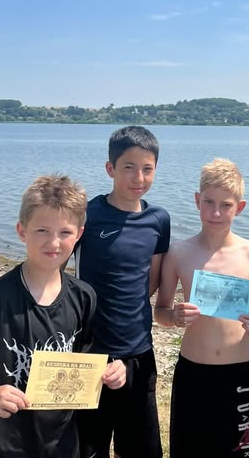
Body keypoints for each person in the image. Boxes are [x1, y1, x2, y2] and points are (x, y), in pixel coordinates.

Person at [0, 174, 126, 458]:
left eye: (65, 232)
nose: (54, 242)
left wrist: (112, 369)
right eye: (42, 230)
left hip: (60, 442)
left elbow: (89, 357)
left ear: (79, 234)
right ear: (22, 231)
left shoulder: (84, 297)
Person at [155, 158, 249, 458]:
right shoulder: (178, 252)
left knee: (242, 451)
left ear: (240, 207)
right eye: (208, 202)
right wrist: (175, 316)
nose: (216, 212)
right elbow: (161, 311)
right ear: (197, 200)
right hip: (192, 371)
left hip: (239, 373)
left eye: (226, 205)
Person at [75, 125, 171, 458]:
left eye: (147, 169)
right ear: (110, 168)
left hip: (138, 351)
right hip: (90, 350)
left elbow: (151, 282)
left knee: (141, 447)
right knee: (89, 446)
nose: (138, 177)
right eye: (129, 167)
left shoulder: (159, 220)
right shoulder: (88, 214)